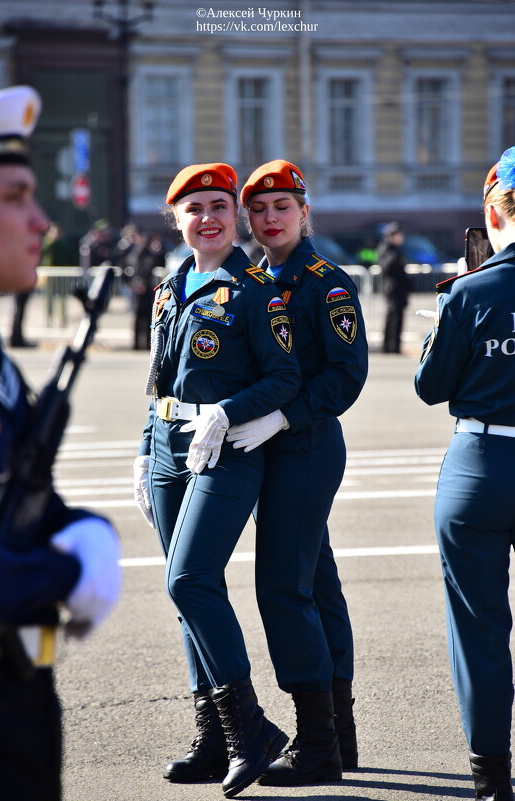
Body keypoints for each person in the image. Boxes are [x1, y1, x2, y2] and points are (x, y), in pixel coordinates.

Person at [132, 162, 301, 798]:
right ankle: (211, 736)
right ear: (175, 219)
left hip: (226, 447)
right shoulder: (170, 287)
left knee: (190, 579)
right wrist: (145, 454)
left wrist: (231, 411)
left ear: (236, 219)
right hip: (171, 447)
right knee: (186, 595)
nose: (208, 218)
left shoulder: (256, 290)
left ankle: (248, 731)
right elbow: (158, 380)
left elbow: (285, 377)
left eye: (220, 208)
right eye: (195, 208)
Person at [0, 85, 122, 801]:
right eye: (14, 196)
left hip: (12, 705)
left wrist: (78, 528)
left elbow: (14, 495)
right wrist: (58, 575)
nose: (40, 219)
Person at [225, 160, 368, 785]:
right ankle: (341, 737)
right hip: (270, 447)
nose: (270, 218)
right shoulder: (256, 277)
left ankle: (316, 746)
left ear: (305, 212)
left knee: (284, 589)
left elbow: (345, 375)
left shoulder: (324, 282)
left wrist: (284, 417)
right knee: (318, 584)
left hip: (304, 443)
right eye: (258, 209)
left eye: (283, 206)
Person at [415, 146, 515, 801]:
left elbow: (429, 386)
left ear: (492, 212)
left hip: (480, 464)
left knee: (477, 623)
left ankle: (489, 778)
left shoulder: (469, 292)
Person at [376, 221, 410, 353]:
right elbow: (387, 267)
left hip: (399, 289)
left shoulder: (395, 249)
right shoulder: (387, 249)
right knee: (393, 318)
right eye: (398, 235)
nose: (401, 238)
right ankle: (390, 346)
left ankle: (394, 345)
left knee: (397, 317)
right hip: (392, 288)